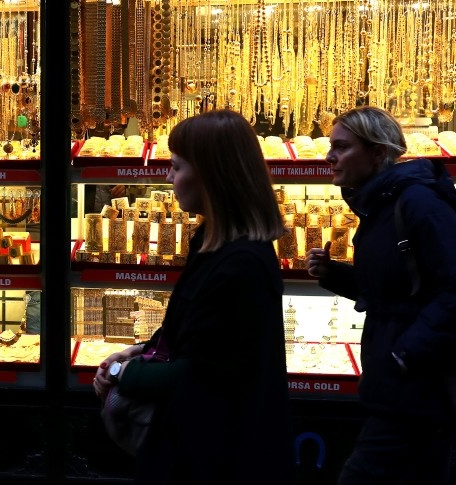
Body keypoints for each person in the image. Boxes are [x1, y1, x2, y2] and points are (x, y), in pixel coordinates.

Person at [93, 109, 294, 483]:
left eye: (177, 167)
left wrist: (124, 373)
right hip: (197, 440)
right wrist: (137, 351)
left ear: (213, 175)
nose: (169, 177)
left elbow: (205, 373)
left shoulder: (241, 264)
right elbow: (189, 328)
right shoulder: (210, 241)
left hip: (217, 454)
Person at [305, 106, 456, 484]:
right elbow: (396, 288)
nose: (330, 157)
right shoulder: (381, 206)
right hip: (396, 388)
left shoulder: (417, 203)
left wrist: (406, 354)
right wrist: (336, 275)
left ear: (376, 153)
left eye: (342, 147)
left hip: (419, 391)